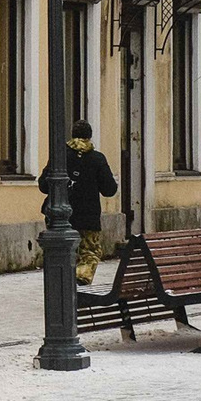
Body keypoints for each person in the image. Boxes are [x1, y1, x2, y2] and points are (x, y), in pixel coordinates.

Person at [60, 120, 120, 285]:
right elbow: (109, 190)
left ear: (72, 134)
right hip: (88, 217)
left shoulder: (60, 156)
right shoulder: (97, 159)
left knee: (62, 253)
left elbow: (44, 185)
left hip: (62, 217)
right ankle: (80, 280)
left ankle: (63, 283)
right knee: (90, 253)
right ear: (90, 136)